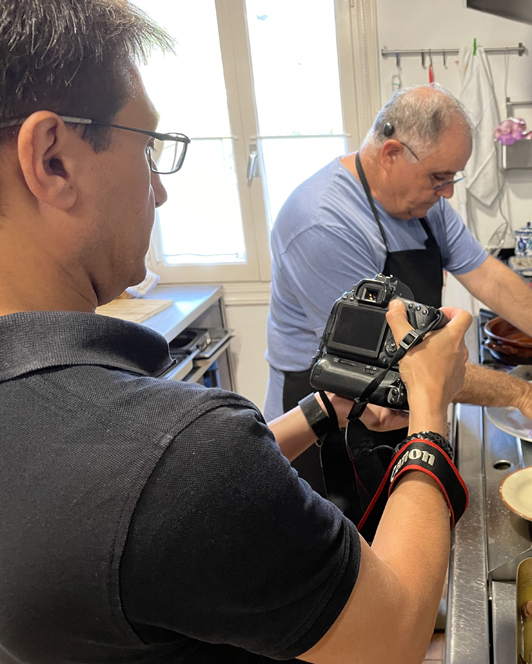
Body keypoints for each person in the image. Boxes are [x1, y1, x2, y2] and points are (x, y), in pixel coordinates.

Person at [0, 2, 473, 663]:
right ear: (51, 160)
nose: (160, 193)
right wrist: (429, 412)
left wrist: (320, 410)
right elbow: (391, 636)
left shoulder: (111, 434)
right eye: (149, 148)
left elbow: (175, 500)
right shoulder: (180, 451)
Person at [264, 85, 532, 512]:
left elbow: (488, 275)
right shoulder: (323, 223)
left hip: (395, 405)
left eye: (452, 177)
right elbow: (393, 362)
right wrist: (524, 394)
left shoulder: (420, 202)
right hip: (328, 425)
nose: (449, 192)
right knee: (348, 554)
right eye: (440, 178)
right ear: (392, 153)